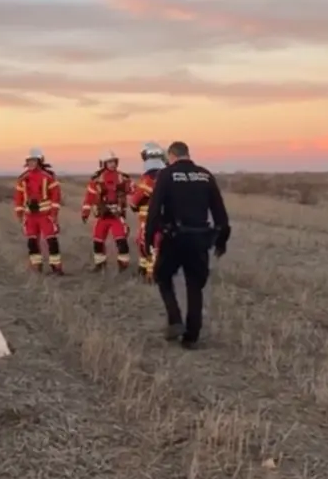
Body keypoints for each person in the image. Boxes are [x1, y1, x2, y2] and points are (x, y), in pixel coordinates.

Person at [143, 141, 232, 349]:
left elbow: (154, 209)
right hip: (200, 238)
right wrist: (222, 240)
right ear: (188, 154)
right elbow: (220, 212)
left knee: (162, 276)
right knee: (195, 286)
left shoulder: (166, 175)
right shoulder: (205, 175)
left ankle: (175, 320)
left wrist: (149, 238)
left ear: (172, 156)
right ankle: (191, 337)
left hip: (175, 238)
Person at [80, 150, 133, 272]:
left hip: (117, 216)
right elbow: (89, 197)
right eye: (109, 162)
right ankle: (100, 265)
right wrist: (85, 213)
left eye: (114, 161)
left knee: (121, 240)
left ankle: (123, 266)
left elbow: (133, 191)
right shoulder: (97, 180)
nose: (112, 164)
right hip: (102, 216)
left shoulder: (123, 178)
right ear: (103, 163)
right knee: (98, 240)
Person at [12, 148, 64, 274]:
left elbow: (56, 196)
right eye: (29, 161)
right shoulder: (22, 179)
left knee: (51, 241)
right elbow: (18, 197)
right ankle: (36, 265)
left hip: (45, 216)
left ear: (39, 161)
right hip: (30, 216)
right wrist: (19, 213)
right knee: (32, 242)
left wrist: (54, 214)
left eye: (34, 160)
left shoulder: (48, 177)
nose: (31, 163)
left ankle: (56, 267)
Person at [128, 142, 167, 282]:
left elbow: (135, 201)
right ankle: (144, 268)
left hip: (150, 218)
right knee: (146, 242)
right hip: (164, 218)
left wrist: (134, 201)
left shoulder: (148, 178)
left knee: (148, 243)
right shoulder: (166, 175)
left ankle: (151, 274)